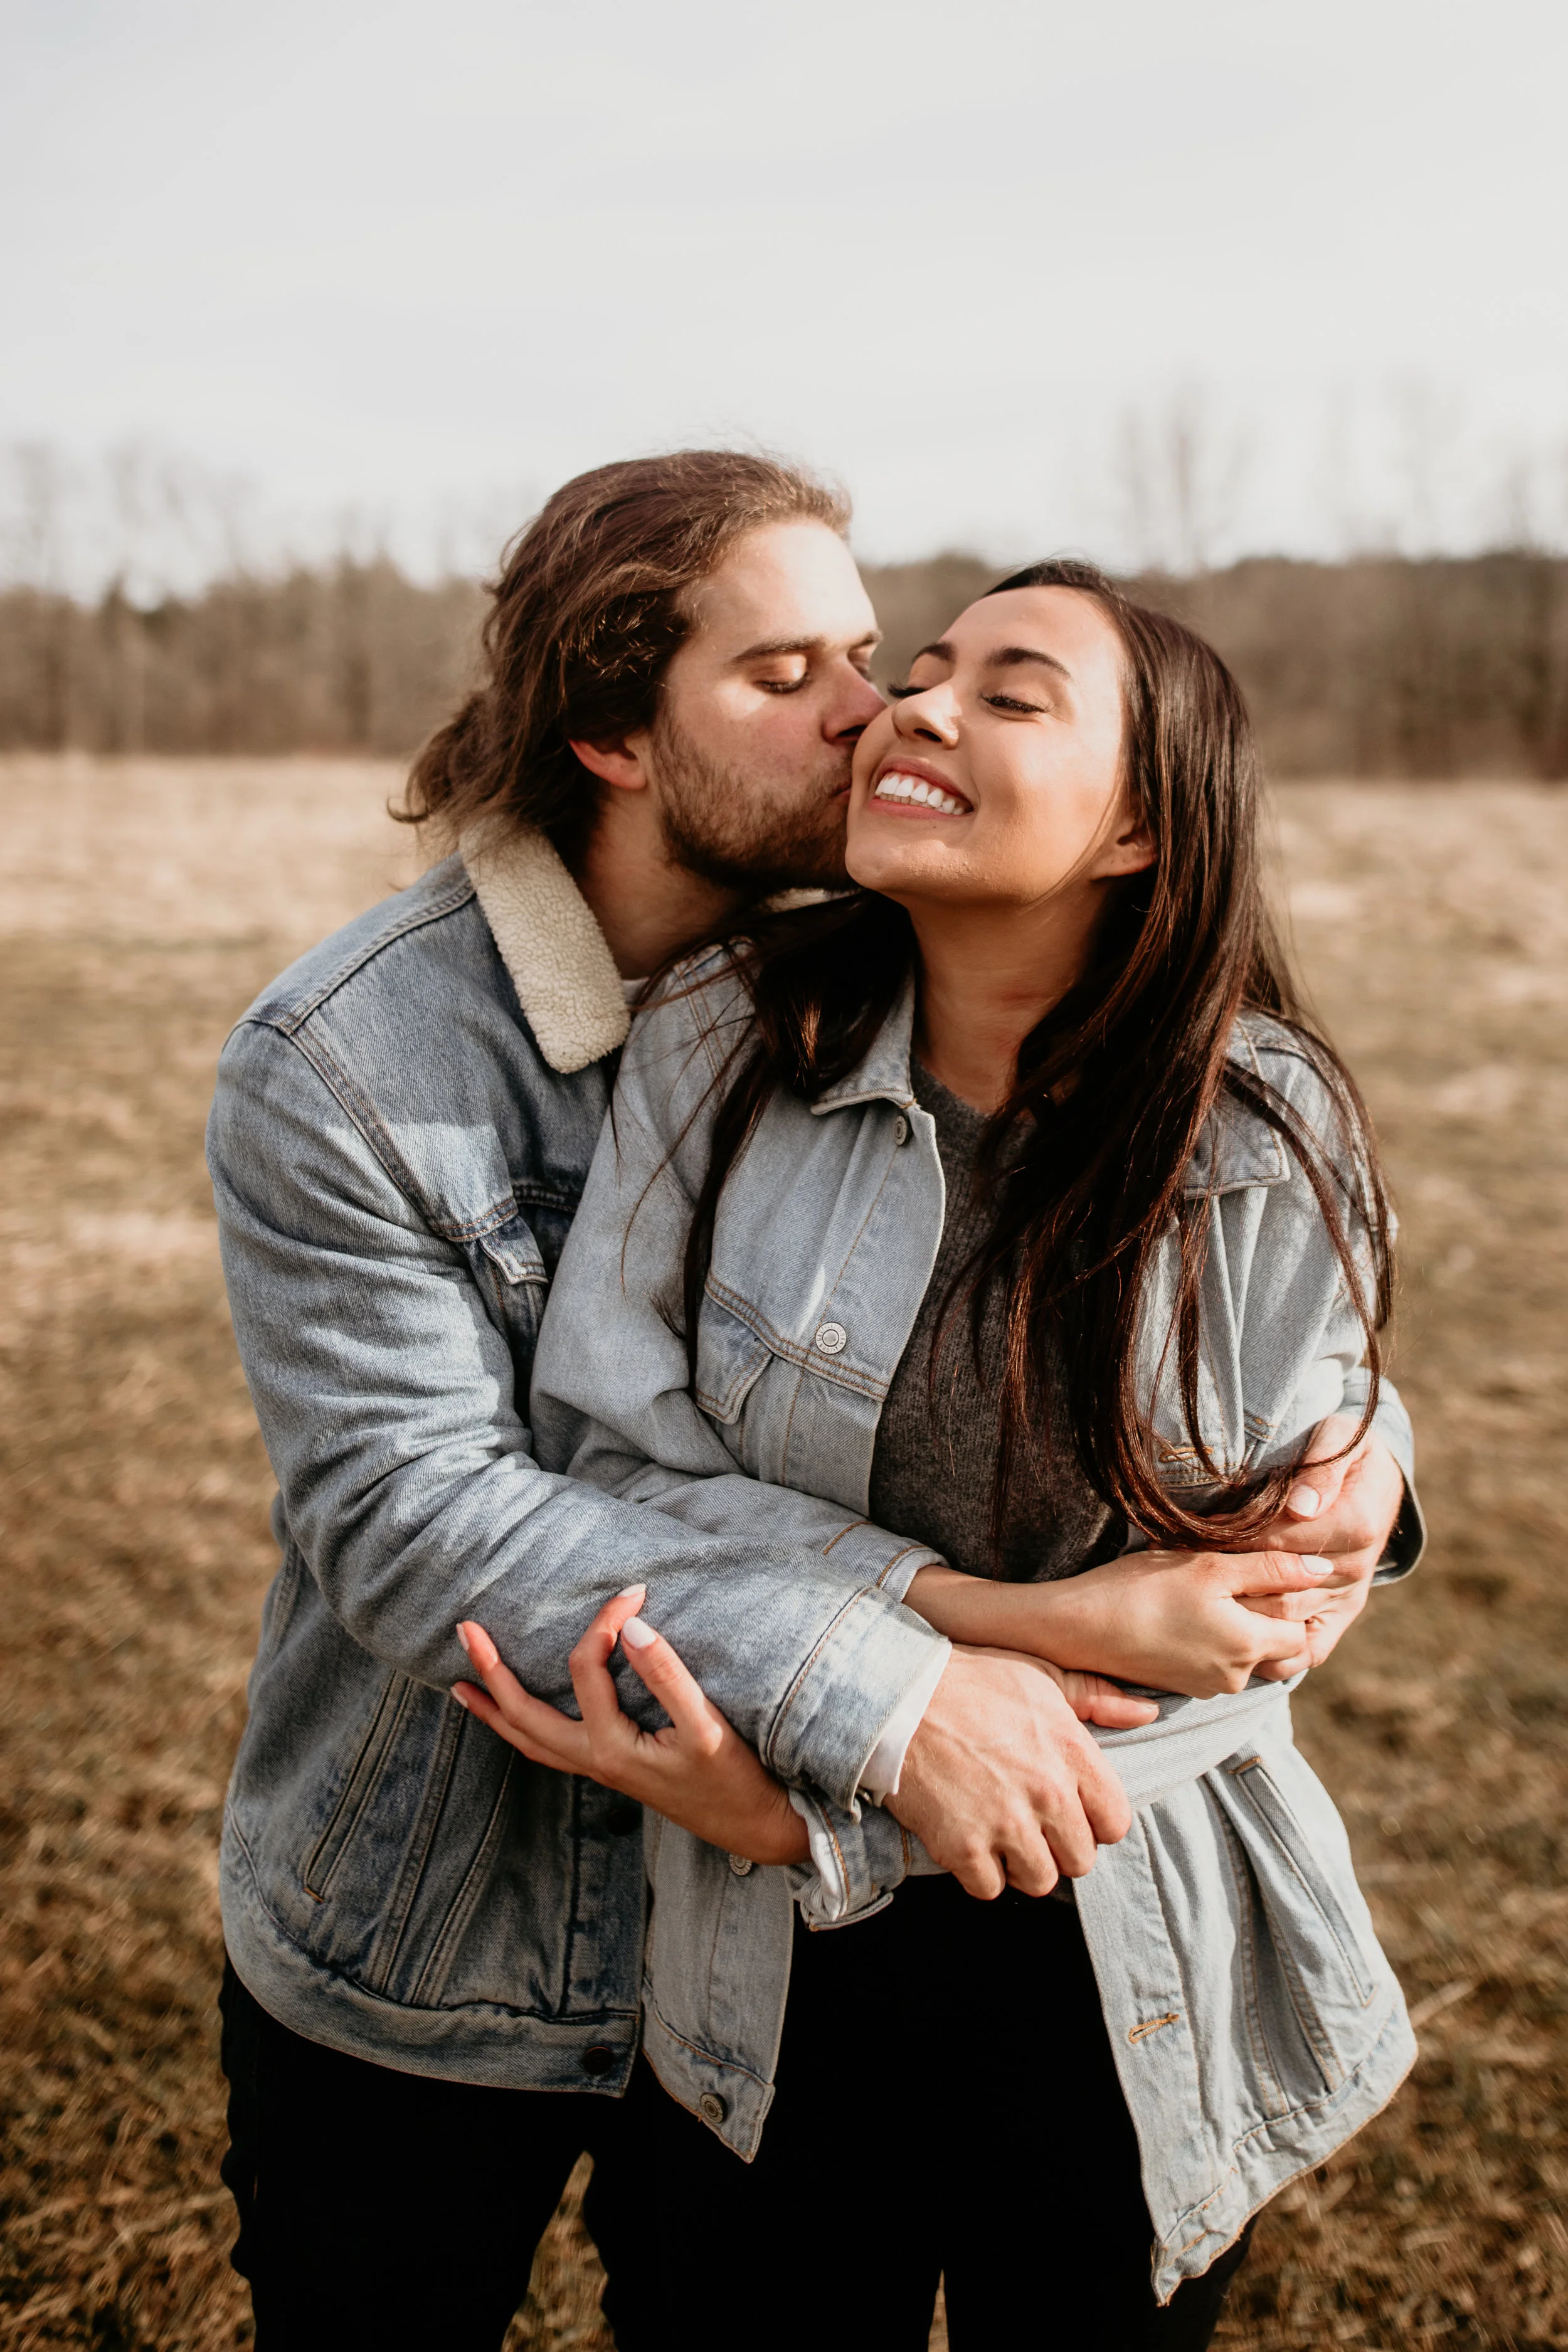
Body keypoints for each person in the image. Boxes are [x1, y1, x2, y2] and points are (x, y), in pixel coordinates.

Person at [208, 457, 1414, 2349]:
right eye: (792, 676)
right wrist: (935, 1664)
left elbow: (1212, 1367)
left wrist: (1356, 1453)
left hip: (827, 1952)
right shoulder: (369, 1060)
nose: (877, 710)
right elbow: (433, 1509)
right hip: (468, 1908)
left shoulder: (896, 995)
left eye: (877, 654)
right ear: (614, 734)